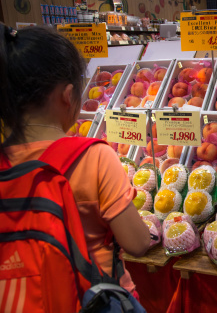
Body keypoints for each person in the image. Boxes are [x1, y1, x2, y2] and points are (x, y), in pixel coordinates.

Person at [0, 24, 150, 296]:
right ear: (68, 96)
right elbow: (138, 243)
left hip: (27, 297)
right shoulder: (94, 156)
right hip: (95, 296)